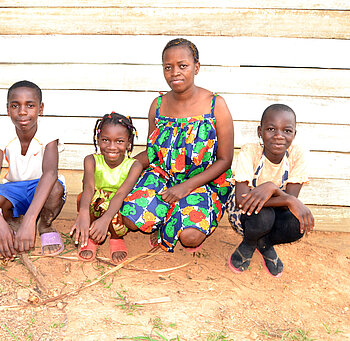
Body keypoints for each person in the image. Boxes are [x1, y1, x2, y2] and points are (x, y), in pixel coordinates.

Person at [120, 38, 234, 252]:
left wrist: (186, 187)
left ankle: (175, 215)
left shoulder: (215, 105)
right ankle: (165, 216)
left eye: (183, 66)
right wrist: (120, 167)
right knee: (130, 221)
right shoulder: (158, 105)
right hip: (163, 178)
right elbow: (153, 152)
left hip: (202, 182)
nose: (175, 73)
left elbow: (225, 160)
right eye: (168, 67)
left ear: (196, 67)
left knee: (190, 237)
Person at [227, 104, 314, 277]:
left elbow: (288, 203)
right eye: (271, 129)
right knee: (264, 216)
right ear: (260, 131)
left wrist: (283, 196)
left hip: (276, 210)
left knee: (296, 224)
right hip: (244, 213)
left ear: (294, 135)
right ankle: (249, 243)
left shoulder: (298, 155)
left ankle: (264, 243)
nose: (279, 136)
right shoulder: (250, 151)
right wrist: (283, 196)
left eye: (287, 131)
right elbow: (241, 200)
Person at [0, 80, 66, 259]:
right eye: (15, 105)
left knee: (56, 188)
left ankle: (44, 224)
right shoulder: (2, 131)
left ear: (40, 108)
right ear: (7, 109)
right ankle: (11, 222)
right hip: (15, 188)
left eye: (30, 105)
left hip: (41, 187)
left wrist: (30, 220)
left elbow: (50, 173)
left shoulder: (50, 130)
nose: (22, 111)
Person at [70, 113, 141, 264]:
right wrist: (83, 214)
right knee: (84, 198)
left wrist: (106, 219)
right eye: (105, 140)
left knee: (120, 207)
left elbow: (121, 193)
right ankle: (91, 236)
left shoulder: (134, 165)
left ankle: (116, 238)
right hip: (97, 203)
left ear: (129, 143)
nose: (111, 147)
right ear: (98, 140)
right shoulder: (91, 160)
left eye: (119, 141)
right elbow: (88, 187)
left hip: (119, 205)